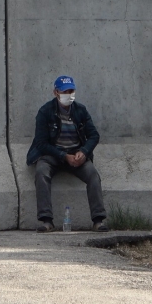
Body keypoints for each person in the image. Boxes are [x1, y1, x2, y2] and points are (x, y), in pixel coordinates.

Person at [26, 75, 108, 233]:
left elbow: (94, 136)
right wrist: (63, 156)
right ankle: (46, 220)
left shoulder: (80, 110)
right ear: (56, 92)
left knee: (93, 175)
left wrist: (83, 152)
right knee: (41, 172)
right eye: (65, 91)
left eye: (71, 91)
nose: (68, 95)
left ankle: (98, 220)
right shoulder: (45, 111)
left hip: (76, 154)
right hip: (53, 155)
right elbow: (41, 143)